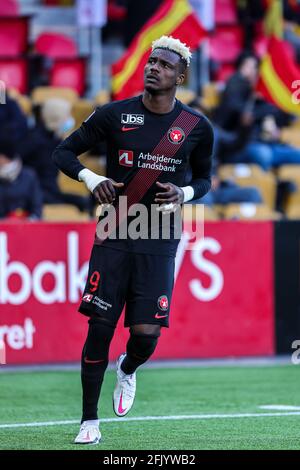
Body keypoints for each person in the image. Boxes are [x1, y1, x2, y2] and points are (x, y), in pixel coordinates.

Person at [52, 36, 214, 445]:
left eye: (163, 64)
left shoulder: (195, 127)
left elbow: (205, 178)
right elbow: (64, 153)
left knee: (146, 333)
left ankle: (127, 368)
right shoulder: (113, 115)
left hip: (159, 234)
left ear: (180, 76)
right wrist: (91, 179)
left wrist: (186, 194)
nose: (152, 68)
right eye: (150, 61)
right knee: (100, 326)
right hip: (115, 231)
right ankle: (89, 421)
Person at [0, 137, 42, 220]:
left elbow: (36, 204)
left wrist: (31, 220)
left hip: (27, 225)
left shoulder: (29, 176)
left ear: (4, 157)